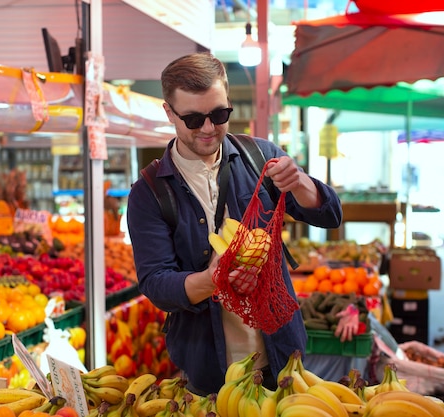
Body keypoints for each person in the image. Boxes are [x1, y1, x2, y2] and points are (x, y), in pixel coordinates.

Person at [126, 52, 342, 395]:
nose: (209, 129)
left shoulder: (260, 158)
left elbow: (330, 216)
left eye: (219, 114)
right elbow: (156, 283)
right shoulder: (149, 193)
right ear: (169, 112)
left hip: (283, 358)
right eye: (194, 119)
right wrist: (212, 280)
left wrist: (300, 181)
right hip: (208, 373)